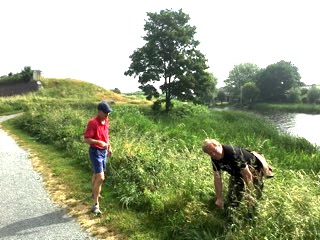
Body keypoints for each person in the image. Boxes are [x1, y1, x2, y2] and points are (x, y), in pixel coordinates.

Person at [202, 139, 273, 211]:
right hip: (237, 174)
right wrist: (219, 198)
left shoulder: (233, 153)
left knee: (252, 202)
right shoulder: (214, 158)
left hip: (254, 172)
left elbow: (247, 175)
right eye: (210, 153)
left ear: (219, 145)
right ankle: (231, 214)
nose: (213, 154)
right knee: (232, 200)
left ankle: (250, 216)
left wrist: (249, 193)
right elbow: (217, 178)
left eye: (214, 150)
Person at [84, 101, 112, 215]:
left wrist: (109, 147)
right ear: (99, 112)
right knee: (101, 178)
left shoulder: (106, 120)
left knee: (97, 174)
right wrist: (99, 143)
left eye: (108, 112)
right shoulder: (93, 123)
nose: (107, 114)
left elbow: (106, 136)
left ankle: (94, 192)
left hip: (104, 151)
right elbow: (86, 139)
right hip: (95, 151)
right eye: (106, 112)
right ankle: (95, 205)